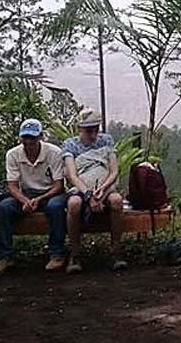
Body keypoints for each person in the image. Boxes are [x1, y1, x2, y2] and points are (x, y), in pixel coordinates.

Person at [0, 119, 67, 276]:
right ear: (21, 138)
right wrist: (25, 200)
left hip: (50, 193)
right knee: (4, 207)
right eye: (26, 138)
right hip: (26, 194)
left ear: (40, 137)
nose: (29, 142)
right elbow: (12, 185)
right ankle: (5, 257)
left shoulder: (54, 152)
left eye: (33, 138)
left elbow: (59, 185)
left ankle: (57, 253)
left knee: (55, 207)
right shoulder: (13, 154)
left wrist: (39, 199)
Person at [60, 108, 127, 274]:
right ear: (80, 129)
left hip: (104, 185)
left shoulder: (106, 141)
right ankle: (75, 254)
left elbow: (113, 171)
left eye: (96, 129)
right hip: (81, 187)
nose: (93, 134)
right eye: (89, 130)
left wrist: (102, 190)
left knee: (117, 201)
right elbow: (72, 175)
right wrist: (88, 195)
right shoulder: (70, 145)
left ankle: (116, 251)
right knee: (74, 204)